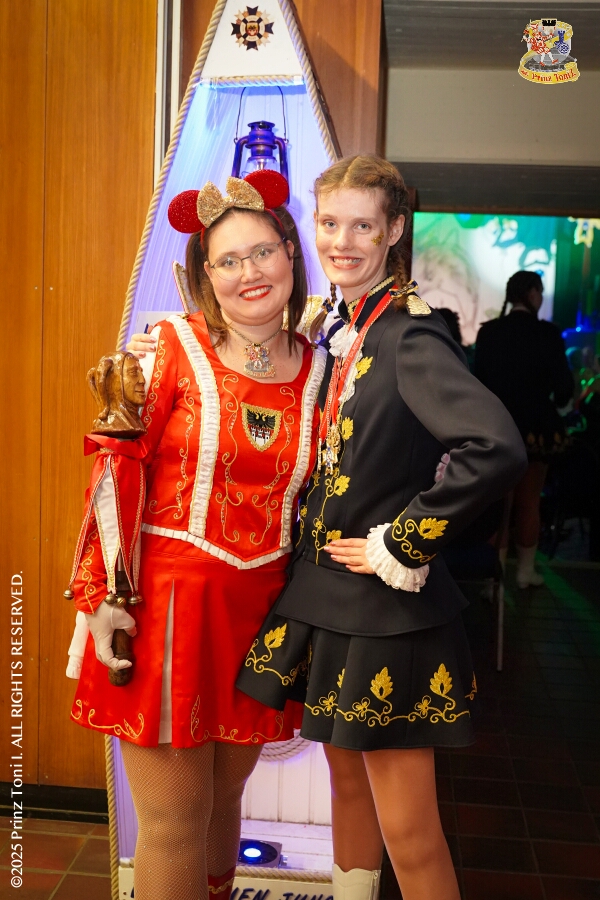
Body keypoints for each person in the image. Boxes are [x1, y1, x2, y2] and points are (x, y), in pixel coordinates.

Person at [234, 155, 527, 900]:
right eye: (330, 222)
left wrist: (405, 539)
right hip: (328, 598)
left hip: (387, 614)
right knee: (347, 792)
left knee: (412, 833)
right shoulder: (335, 325)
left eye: (362, 226)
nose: (342, 241)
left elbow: (495, 447)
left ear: (394, 231)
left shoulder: (409, 334)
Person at [67, 170, 326, 900]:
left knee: (220, 806)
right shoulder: (166, 348)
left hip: (262, 618)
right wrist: (99, 595)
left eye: (263, 251)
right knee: (175, 822)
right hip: (167, 614)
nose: (250, 272)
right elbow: (114, 469)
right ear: (205, 275)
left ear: (290, 252)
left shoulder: (324, 370)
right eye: (228, 260)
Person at [473, 270, 573, 588]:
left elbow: (477, 382)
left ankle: (494, 579)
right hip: (537, 429)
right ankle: (525, 573)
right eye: (540, 292)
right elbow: (564, 389)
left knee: (498, 505)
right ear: (531, 293)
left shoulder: (489, 332)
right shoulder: (547, 333)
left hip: (496, 429)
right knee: (530, 502)